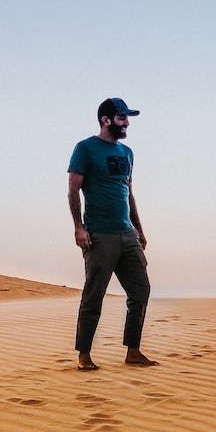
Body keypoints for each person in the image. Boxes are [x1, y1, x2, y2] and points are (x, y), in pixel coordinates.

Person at [68, 97, 157, 371]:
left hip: (127, 234)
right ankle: (84, 355)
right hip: (99, 235)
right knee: (94, 295)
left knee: (141, 290)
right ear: (106, 120)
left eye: (127, 118)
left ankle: (133, 351)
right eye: (122, 117)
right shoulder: (85, 149)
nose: (127, 122)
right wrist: (79, 227)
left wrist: (139, 230)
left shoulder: (128, 153)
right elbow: (73, 190)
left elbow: (128, 194)